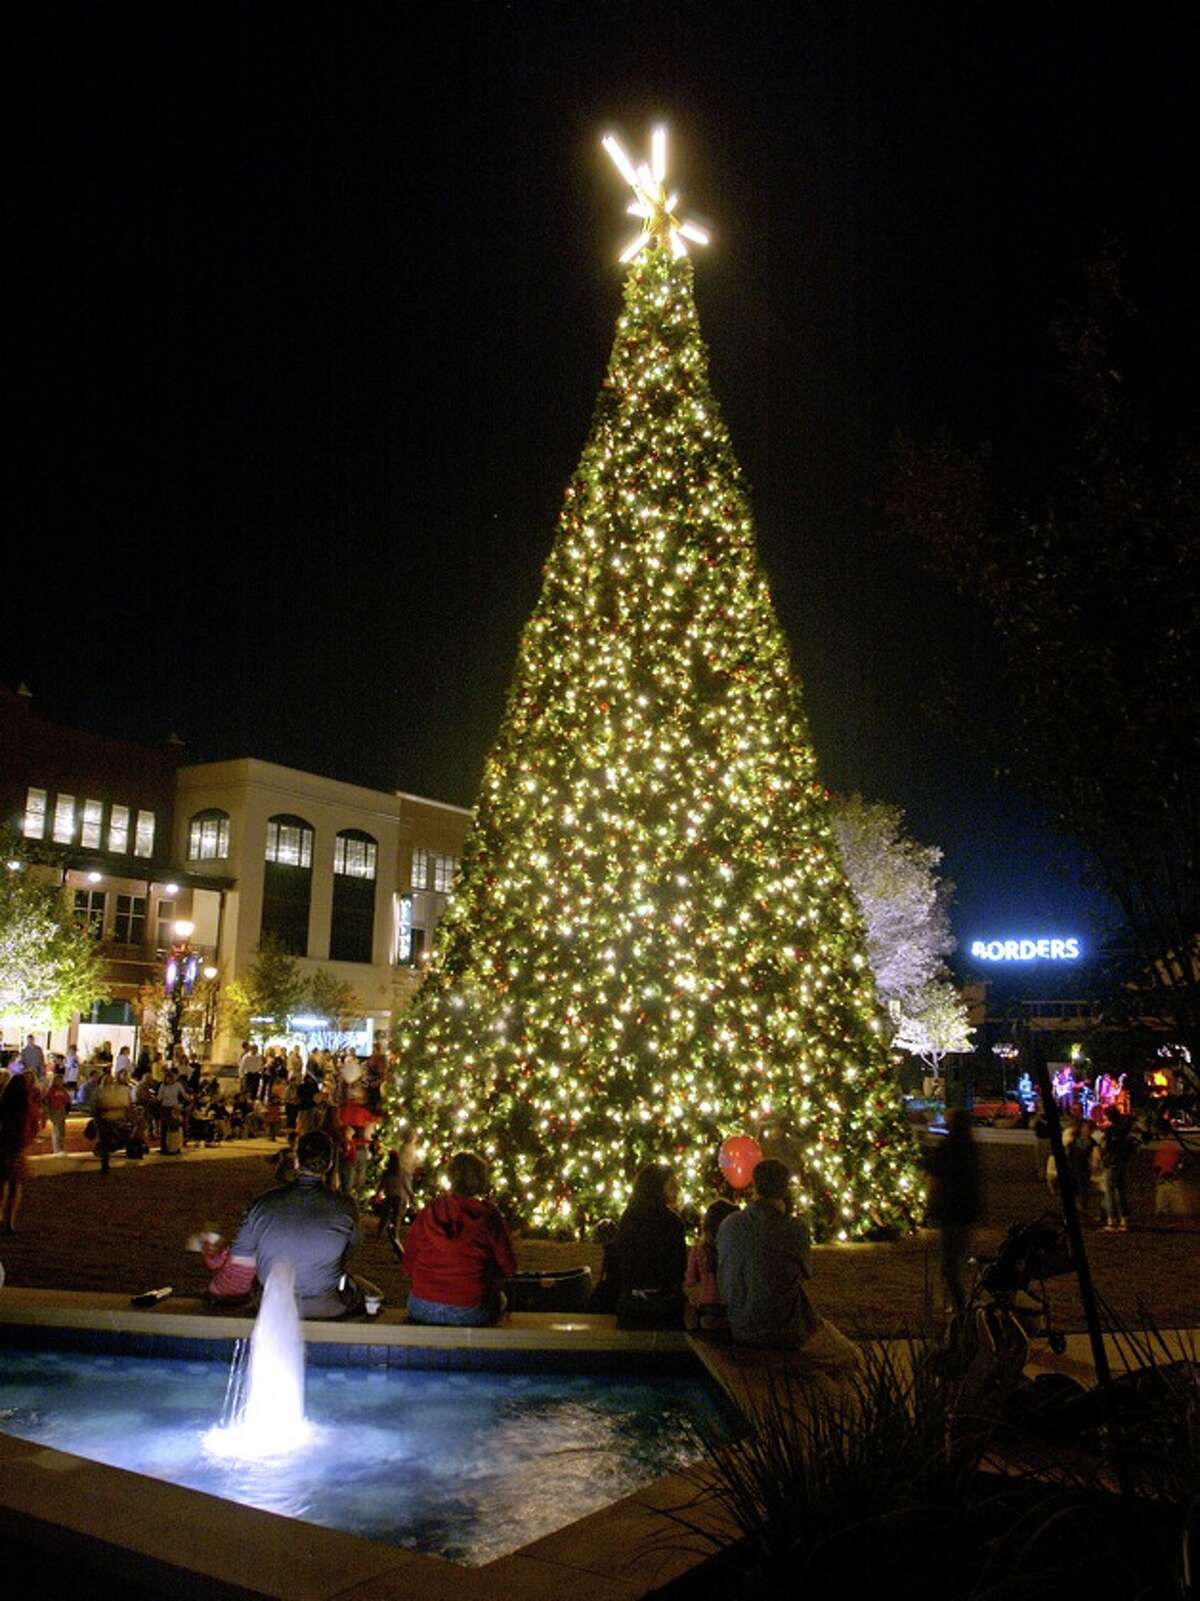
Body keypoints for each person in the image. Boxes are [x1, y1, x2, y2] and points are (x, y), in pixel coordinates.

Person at [203, 1130, 380, 1318]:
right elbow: (352, 1248)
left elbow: (240, 1259)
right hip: (323, 1303)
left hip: (272, 1304)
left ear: (296, 1162)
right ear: (329, 1164)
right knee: (364, 1290)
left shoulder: (262, 1204)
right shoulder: (346, 1206)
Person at [403, 1150, 516, 1326]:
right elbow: (508, 1267)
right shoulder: (489, 1216)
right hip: (470, 1309)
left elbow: (408, 1261)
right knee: (502, 1301)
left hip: (422, 1305)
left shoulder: (430, 1211)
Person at [717, 1158, 821, 1348]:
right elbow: (807, 1272)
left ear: (754, 1184)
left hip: (740, 1325)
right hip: (785, 1329)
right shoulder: (795, 1228)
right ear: (785, 1189)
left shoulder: (730, 1225)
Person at [603, 1165, 688, 1328]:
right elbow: (678, 1267)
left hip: (632, 1305)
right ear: (658, 1187)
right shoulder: (672, 1222)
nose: (677, 1188)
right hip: (664, 1308)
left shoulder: (628, 1217)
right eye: (672, 1184)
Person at [925, 1110, 983, 1314]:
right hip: (966, 1212)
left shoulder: (948, 1148)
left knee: (950, 1265)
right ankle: (957, 1302)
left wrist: (932, 1206)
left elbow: (936, 1175)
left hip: (951, 1212)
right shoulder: (970, 1148)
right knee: (956, 1260)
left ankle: (958, 1305)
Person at [685, 1199, 738, 1334]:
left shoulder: (698, 1250)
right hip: (731, 1309)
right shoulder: (733, 1250)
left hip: (706, 1309)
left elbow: (690, 1280)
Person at [0, 1070, 41, 1231]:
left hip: (4, 1145)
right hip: (17, 1146)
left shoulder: (4, 1104)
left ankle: (1, 1215)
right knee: (15, 1185)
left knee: (2, 1183)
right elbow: (33, 1125)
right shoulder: (26, 1106)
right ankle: (10, 1221)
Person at [1095, 1109, 1137, 1231]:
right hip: (1122, 1162)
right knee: (1120, 1189)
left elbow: (1107, 1148)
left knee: (1110, 1191)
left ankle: (1111, 1219)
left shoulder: (1111, 1131)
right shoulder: (1124, 1131)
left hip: (1112, 1163)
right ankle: (1124, 1218)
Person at [93, 1066, 132, 1174]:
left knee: (121, 1139)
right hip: (103, 1120)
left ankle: (104, 1152)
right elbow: (96, 1107)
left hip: (115, 1119)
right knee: (105, 1141)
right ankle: (104, 1164)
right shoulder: (98, 1092)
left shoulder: (116, 1091)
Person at [44, 1069, 72, 1155]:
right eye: (59, 1080)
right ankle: (57, 1149)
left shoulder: (63, 1090)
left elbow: (67, 1099)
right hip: (55, 1111)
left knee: (62, 1130)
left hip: (61, 1110)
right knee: (57, 1130)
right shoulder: (50, 1090)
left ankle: (61, 1147)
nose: (60, 1082)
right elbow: (47, 1101)